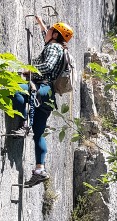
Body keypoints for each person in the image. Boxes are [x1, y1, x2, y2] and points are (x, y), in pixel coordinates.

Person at [8, 17, 73, 188]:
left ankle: (23, 123)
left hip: (42, 88)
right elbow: (48, 38)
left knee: (16, 89)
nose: (47, 32)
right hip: (48, 97)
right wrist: (42, 25)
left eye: (50, 30)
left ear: (55, 35)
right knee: (39, 133)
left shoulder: (53, 47)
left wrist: (26, 72)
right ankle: (40, 169)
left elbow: (48, 66)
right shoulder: (60, 48)